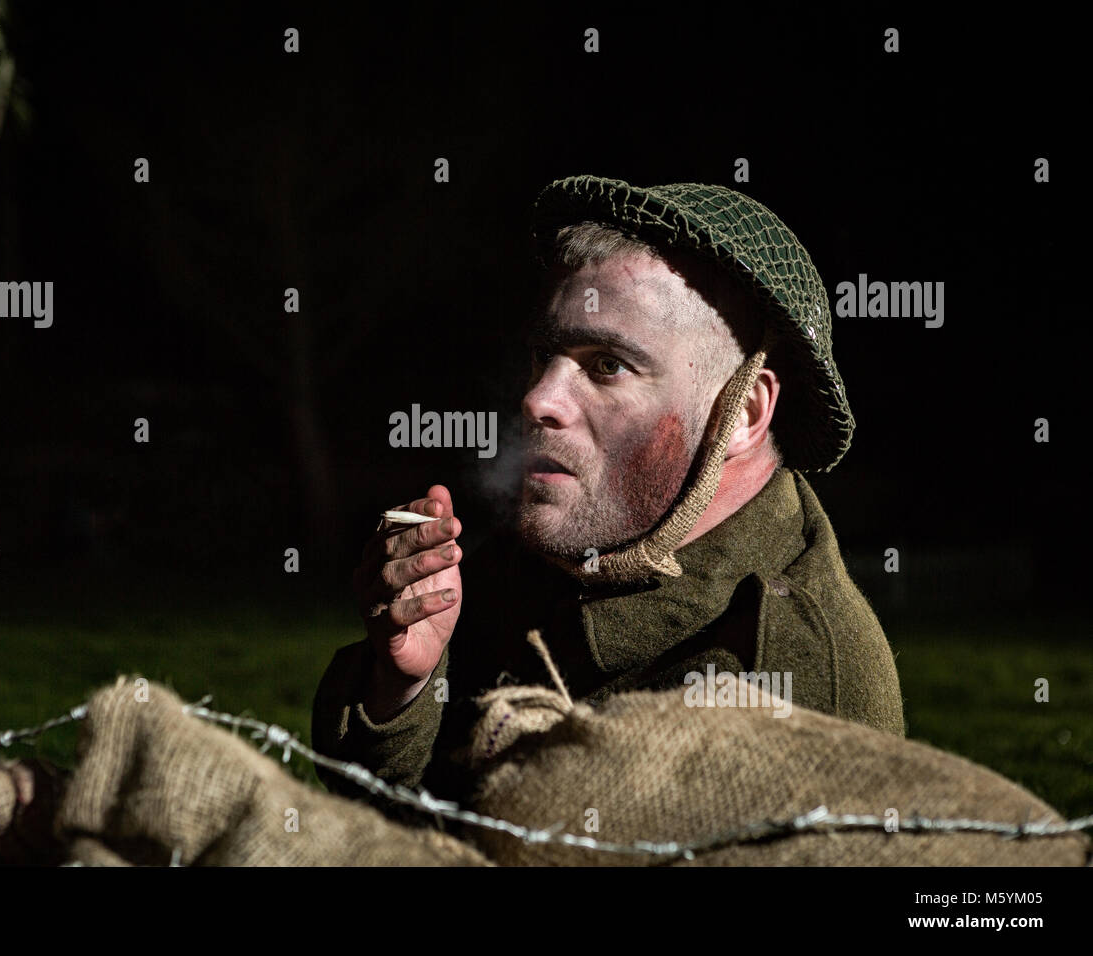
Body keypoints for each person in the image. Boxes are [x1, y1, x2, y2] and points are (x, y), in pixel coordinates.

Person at [312, 175, 903, 811]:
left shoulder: (792, 674)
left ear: (744, 413)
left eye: (606, 365)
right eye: (545, 356)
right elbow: (397, 820)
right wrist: (402, 687)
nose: (538, 398)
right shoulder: (545, 557)